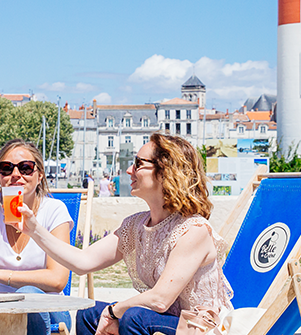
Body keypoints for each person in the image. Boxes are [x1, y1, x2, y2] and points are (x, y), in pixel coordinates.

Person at [20, 133, 232, 335]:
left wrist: (113, 311)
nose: (130, 170)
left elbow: (160, 299)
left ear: (166, 171)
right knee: (88, 313)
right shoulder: (136, 225)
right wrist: (35, 230)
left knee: (133, 316)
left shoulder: (193, 230)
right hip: (161, 320)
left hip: (200, 327)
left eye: (139, 163)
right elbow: (82, 262)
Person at [0, 139, 74, 335]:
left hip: (46, 307)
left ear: (40, 175)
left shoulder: (54, 210)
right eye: (6, 168)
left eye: (26, 168)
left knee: (28, 297)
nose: (16, 175)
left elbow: (57, 279)